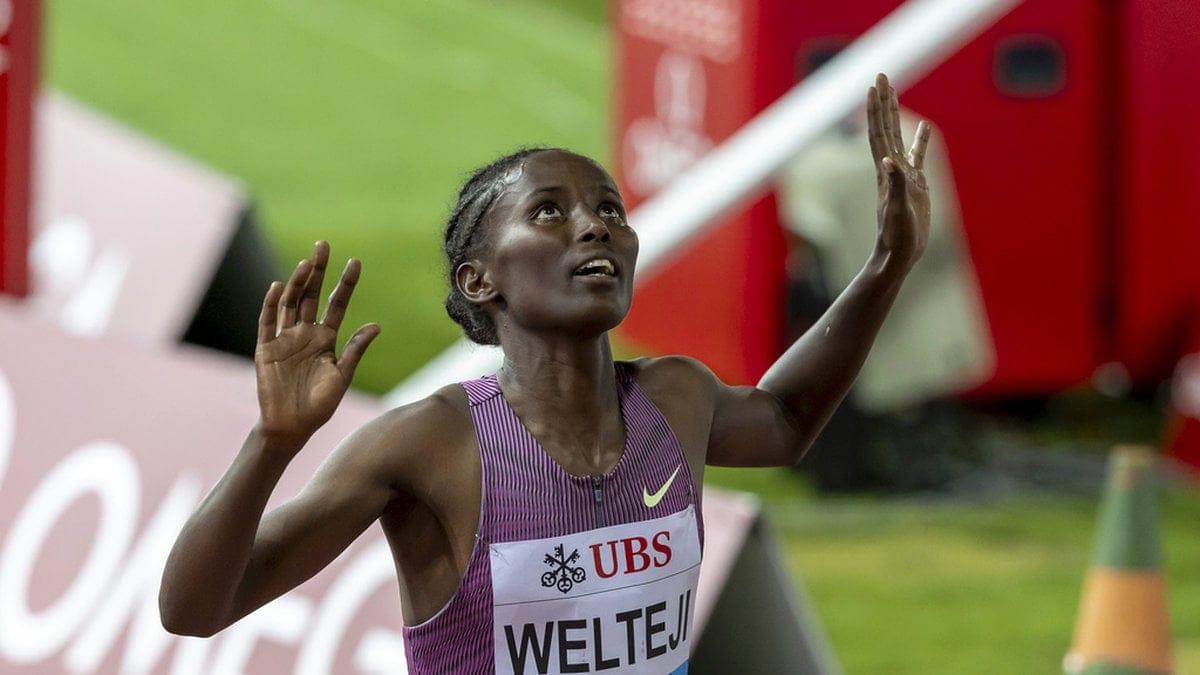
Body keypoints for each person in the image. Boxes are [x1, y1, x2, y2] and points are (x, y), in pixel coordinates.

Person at [159, 73, 931, 673]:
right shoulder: (431, 443)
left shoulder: (676, 397)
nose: (595, 225)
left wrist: (887, 265)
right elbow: (195, 608)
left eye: (609, 209)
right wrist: (272, 442)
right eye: (550, 212)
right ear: (480, 280)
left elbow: (787, 420)